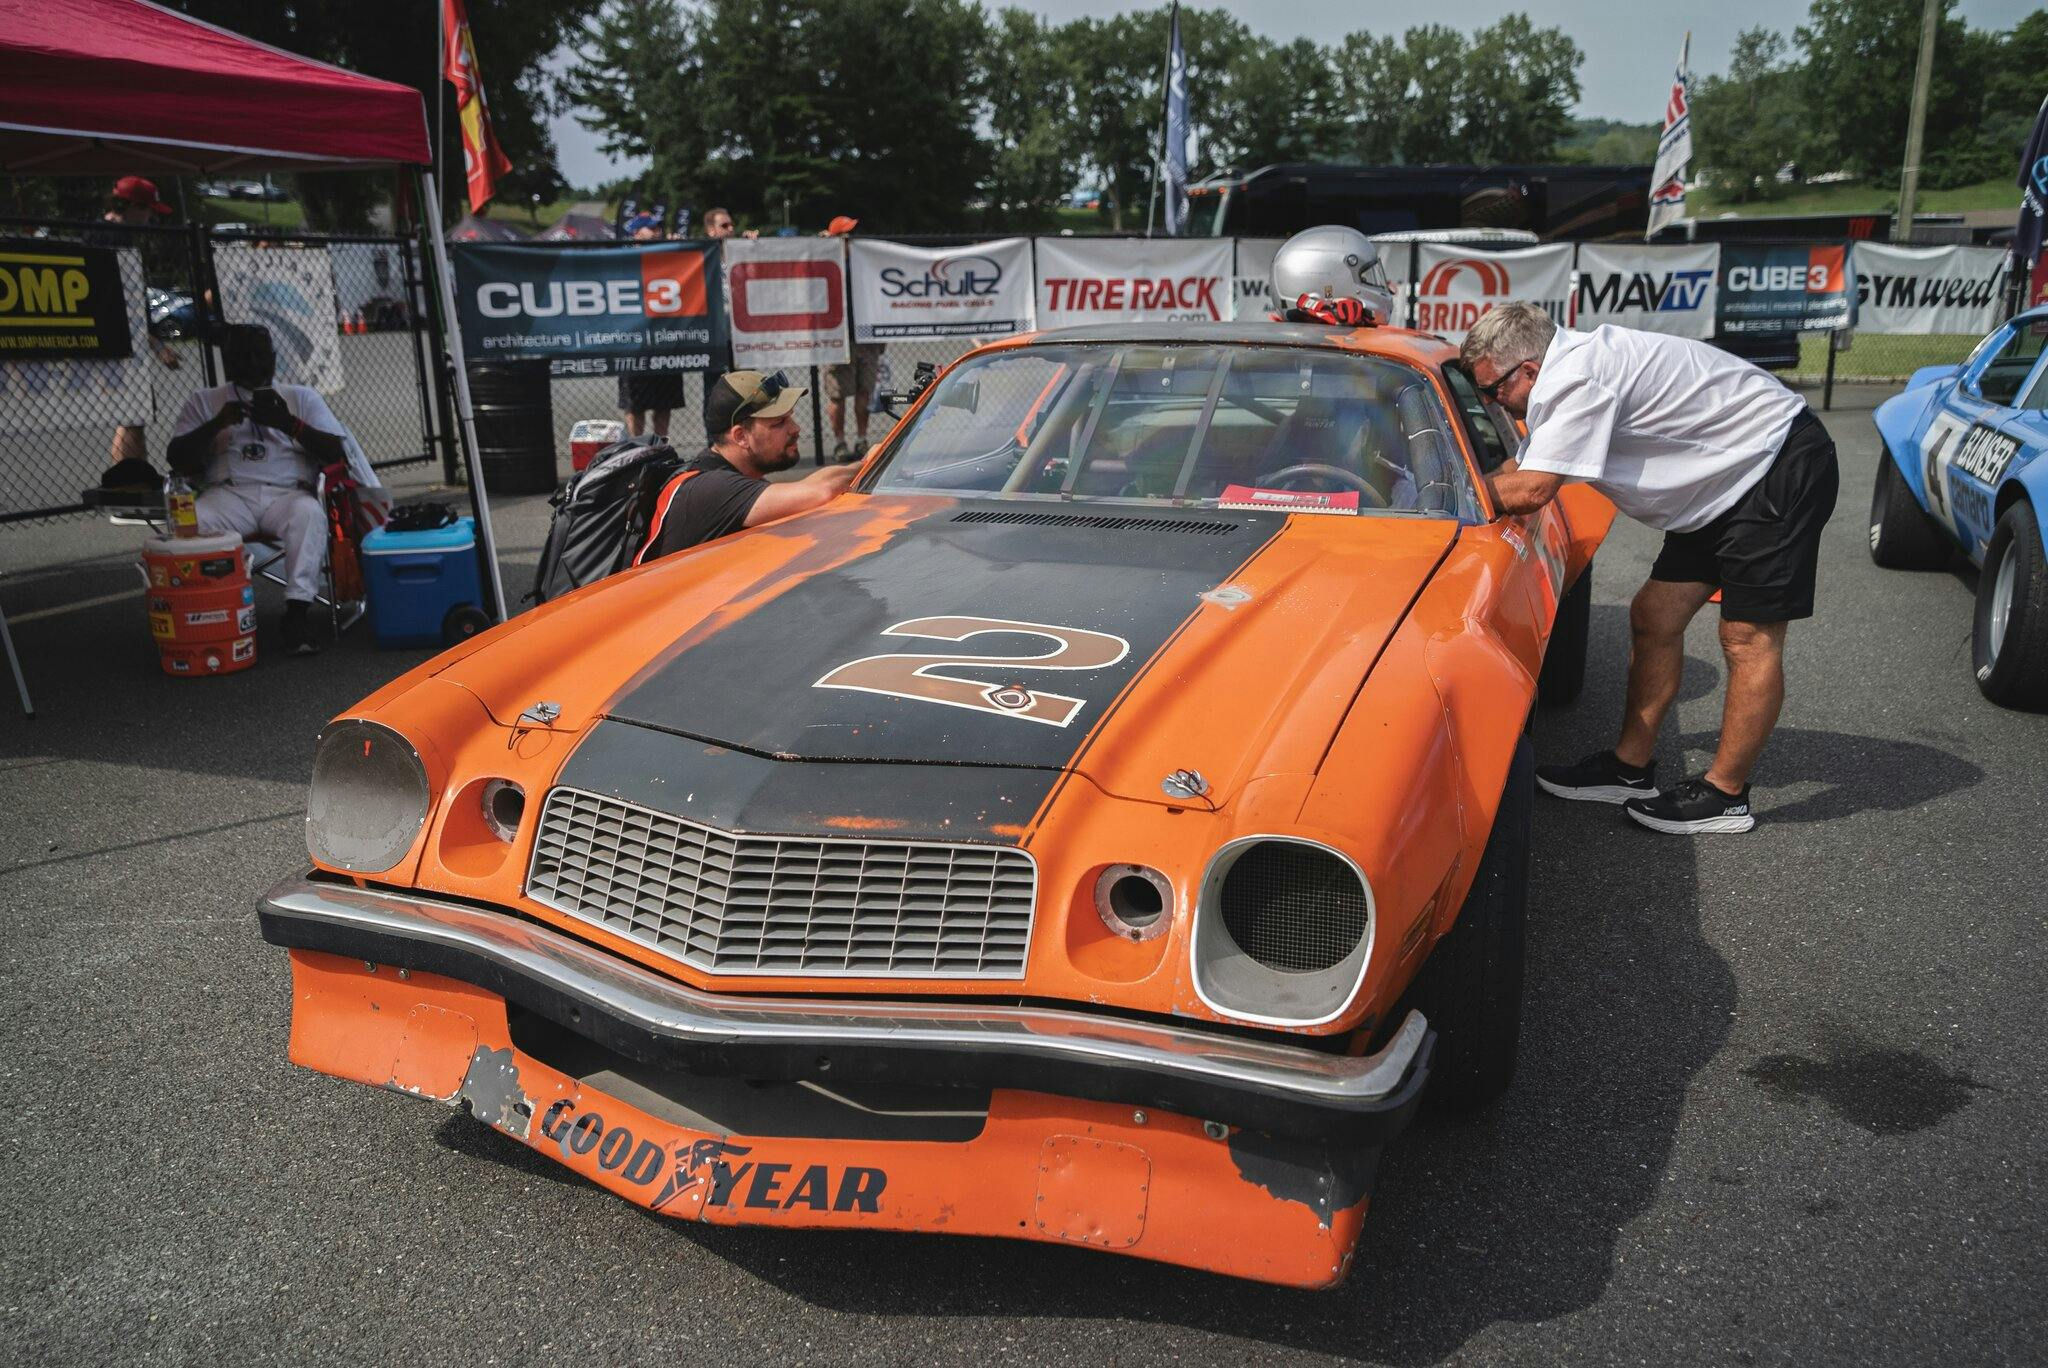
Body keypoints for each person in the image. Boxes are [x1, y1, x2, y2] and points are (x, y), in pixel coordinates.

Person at [1462, 301, 1839, 835]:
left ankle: (1725, 795)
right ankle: (1629, 769)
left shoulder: (1577, 377)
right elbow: (1520, 467)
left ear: (1528, 370)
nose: (1488, 400)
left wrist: (1440, 495)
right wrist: (1468, 476)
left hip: (1773, 463)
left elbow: (1531, 489)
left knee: (1746, 636)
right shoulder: (1560, 373)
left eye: (1492, 390)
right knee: (1654, 615)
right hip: (1723, 479)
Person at [167, 324, 389, 656]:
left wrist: (289, 423)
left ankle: (297, 614)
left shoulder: (300, 397)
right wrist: (217, 423)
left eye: (260, 355)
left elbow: (336, 452)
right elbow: (176, 457)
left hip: (288, 494)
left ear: (274, 358)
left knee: (309, 515)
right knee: (194, 521)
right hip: (229, 494)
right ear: (228, 361)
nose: (253, 362)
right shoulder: (206, 401)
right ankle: (214, 610)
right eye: (243, 356)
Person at [640, 370, 858, 561]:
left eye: (790, 418)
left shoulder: (736, 477)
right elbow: (823, 491)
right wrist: (875, 460)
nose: (795, 428)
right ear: (741, 436)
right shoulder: (712, 489)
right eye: (779, 423)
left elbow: (814, 485)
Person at [100, 177, 184, 467]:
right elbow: (126, 305)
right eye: (148, 211)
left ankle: (132, 478)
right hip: (122, 340)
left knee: (134, 412)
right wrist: (158, 345)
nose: (150, 219)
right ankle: (129, 481)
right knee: (134, 412)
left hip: (120, 337)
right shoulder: (115, 240)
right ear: (133, 206)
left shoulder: (101, 235)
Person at [617, 216, 688, 438]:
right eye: (652, 227)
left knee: (664, 403)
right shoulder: (622, 258)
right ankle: (636, 449)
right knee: (635, 404)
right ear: (637, 233)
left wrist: (678, 246)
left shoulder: (669, 254)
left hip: (665, 340)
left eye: (660, 226)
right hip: (635, 342)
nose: (658, 231)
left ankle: (661, 447)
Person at [820, 215, 884, 462]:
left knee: (863, 390)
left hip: (866, 337)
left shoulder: (865, 263)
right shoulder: (825, 262)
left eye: (852, 234)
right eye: (845, 235)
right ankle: (839, 442)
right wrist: (821, 246)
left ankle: (861, 438)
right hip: (837, 337)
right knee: (837, 393)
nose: (850, 239)